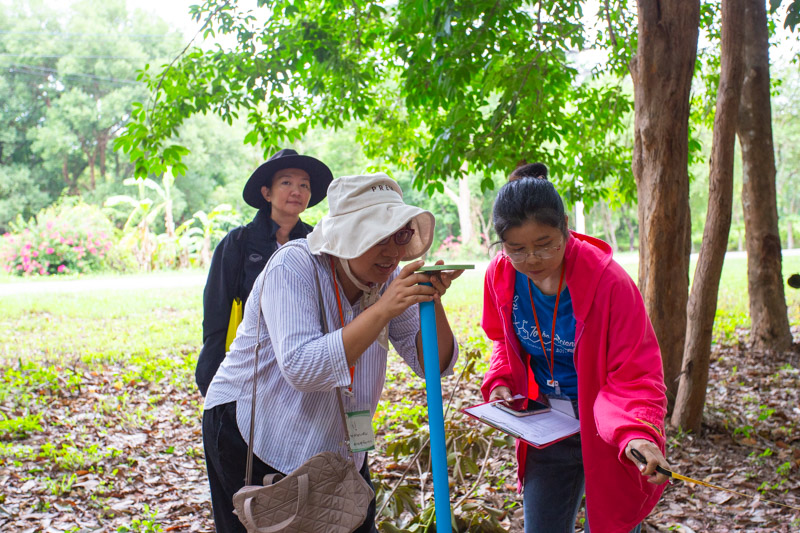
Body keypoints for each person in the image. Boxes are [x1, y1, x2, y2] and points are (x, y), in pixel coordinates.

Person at [202, 173, 464, 532]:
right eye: (378, 237)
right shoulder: (293, 266)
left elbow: (433, 364)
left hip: (339, 437)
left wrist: (430, 300)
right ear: (345, 237)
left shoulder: (388, 279)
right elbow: (302, 368)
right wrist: (383, 309)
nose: (393, 252)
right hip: (256, 429)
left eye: (401, 235)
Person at [481, 164, 670, 533]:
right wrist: (501, 379)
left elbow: (635, 372)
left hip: (608, 433)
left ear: (565, 226)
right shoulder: (501, 275)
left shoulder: (609, 283)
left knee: (611, 522)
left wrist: (636, 434)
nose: (532, 260)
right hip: (546, 429)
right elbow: (504, 341)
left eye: (545, 245)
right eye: (516, 249)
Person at [195, 148, 333, 397]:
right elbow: (216, 314)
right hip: (250, 367)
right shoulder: (238, 243)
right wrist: (211, 376)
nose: (297, 191)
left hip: (301, 365)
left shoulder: (318, 243)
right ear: (266, 192)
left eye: (304, 185)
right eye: (286, 182)